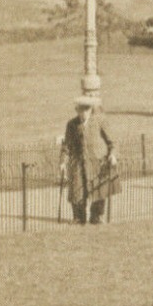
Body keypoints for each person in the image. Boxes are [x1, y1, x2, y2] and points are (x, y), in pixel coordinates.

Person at [60, 96, 116, 224]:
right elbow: (67, 146)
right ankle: (79, 218)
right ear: (77, 110)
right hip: (78, 163)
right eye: (81, 109)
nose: (84, 112)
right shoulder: (71, 124)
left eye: (87, 109)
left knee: (98, 191)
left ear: (91, 110)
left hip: (97, 162)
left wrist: (112, 155)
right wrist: (63, 162)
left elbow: (112, 142)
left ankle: (96, 217)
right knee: (77, 191)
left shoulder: (100, 121)